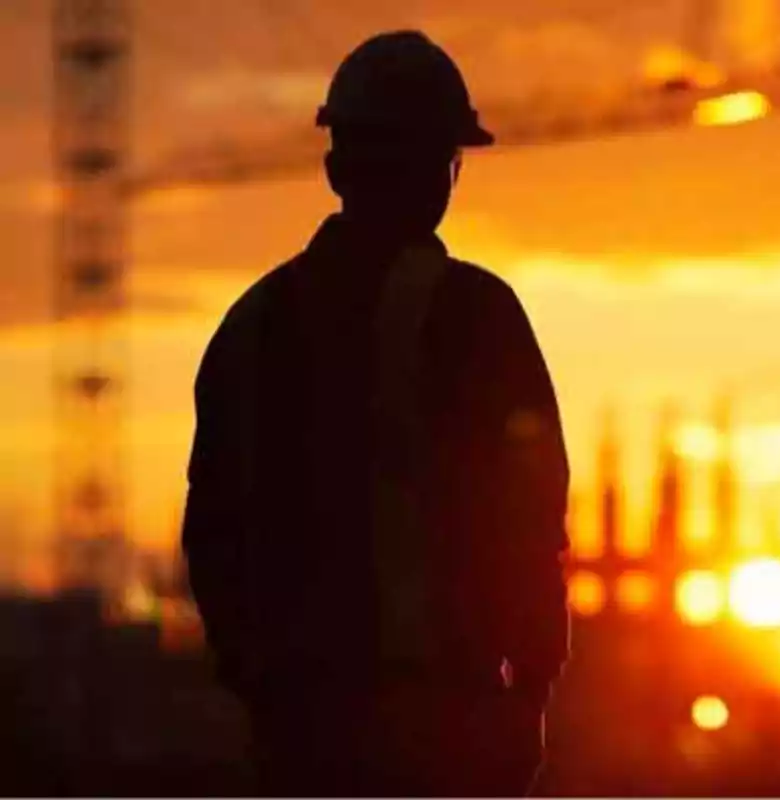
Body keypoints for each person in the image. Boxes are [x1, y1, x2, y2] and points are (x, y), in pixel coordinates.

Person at [181, 31, 571, 796]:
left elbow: (211, 533)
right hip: (441, 726)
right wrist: (528, 691)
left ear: (335, 167)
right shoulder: (473, 314)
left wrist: (257, 683)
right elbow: (528, 516)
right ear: (444, 173)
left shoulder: (250, 325)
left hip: (299, 735)